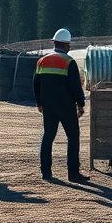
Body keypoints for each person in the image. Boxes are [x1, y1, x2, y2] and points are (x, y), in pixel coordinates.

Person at [33, 28, 89, 183]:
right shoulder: (69, 62)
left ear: (54, 43)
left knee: (48, 136)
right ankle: (73, 174)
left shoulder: (42, 61)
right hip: (66, 107)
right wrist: (81, 104)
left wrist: (39, 103)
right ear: (67, 45)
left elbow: (35, 84)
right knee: (73, 137)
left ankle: (46, 173)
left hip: (48, 106)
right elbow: (75, 86)